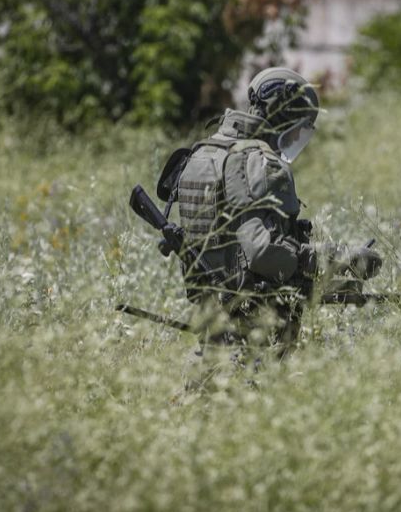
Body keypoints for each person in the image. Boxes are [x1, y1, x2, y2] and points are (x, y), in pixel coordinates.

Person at [159, 67, 381, 391]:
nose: (294, 140)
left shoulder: (203, 154)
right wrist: (340, 258)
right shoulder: (259, 161)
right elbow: (263, 252)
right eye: (296, 129)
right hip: (255, 333)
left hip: (212, 323)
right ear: (285, 118)